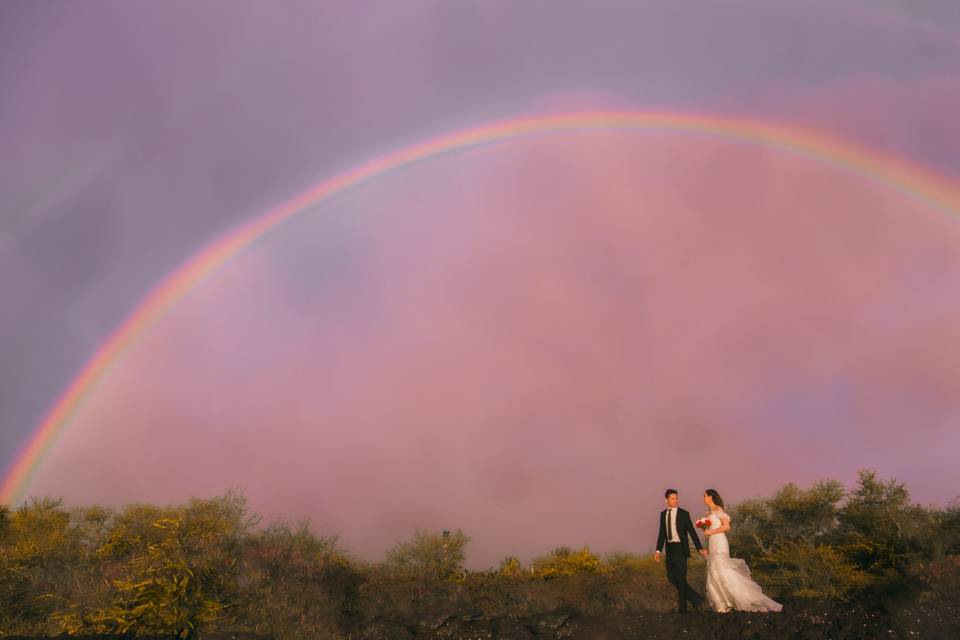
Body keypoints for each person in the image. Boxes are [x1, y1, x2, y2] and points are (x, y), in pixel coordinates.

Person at [700, 488, 782, 613]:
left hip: (720, 542)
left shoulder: (718, 510)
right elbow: (709, 530)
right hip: (712, 542)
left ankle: (736, 599)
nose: (703, 498)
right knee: (714, 570)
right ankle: (723, 603)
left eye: (705, 496)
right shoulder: (707, 513)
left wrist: (710, 531)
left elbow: (726, 527)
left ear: (711, 497)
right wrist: (705, 530)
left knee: (722, 569)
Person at [654, 488, 708, 613]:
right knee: (671, 577)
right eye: (672, 499)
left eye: (677, 498)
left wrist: (699, 548)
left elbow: (692, 532)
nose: (675, 501)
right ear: (666, 500)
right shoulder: (663, 514)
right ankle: (696, 599)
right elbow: (662, 533)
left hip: (680, 548)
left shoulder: (684, 513)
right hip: (669, 548)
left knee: (680, 577)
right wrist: (658, 550)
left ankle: (682, 609)